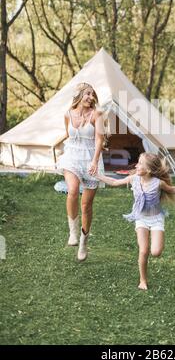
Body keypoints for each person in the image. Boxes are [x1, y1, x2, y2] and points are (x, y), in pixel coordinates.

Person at [94, 152, 175, 290]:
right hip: (141, 218)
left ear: (149, 170)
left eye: (140, 164)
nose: (136, 165)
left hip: (156, 219)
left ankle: (152, 254)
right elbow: (114, 182)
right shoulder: (133, 179)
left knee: (156, 252)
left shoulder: (158, 183)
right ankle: (142, 280)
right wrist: (97, 175)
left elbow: (172, 189)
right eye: (137, 162)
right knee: (143, 251)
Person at [57, 83, 105, 261]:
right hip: (72, 156)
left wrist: (94, 160)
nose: (91, 97)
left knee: (86, 205)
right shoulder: (67, 114)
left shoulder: (97, 114)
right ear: (78, 95)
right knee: (73, 190)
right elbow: (69, 136)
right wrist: (60, 152)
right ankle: (73, 232)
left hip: (91, 158)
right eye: (87, 94)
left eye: (93, 94)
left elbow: (100, 139)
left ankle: (84, 242)